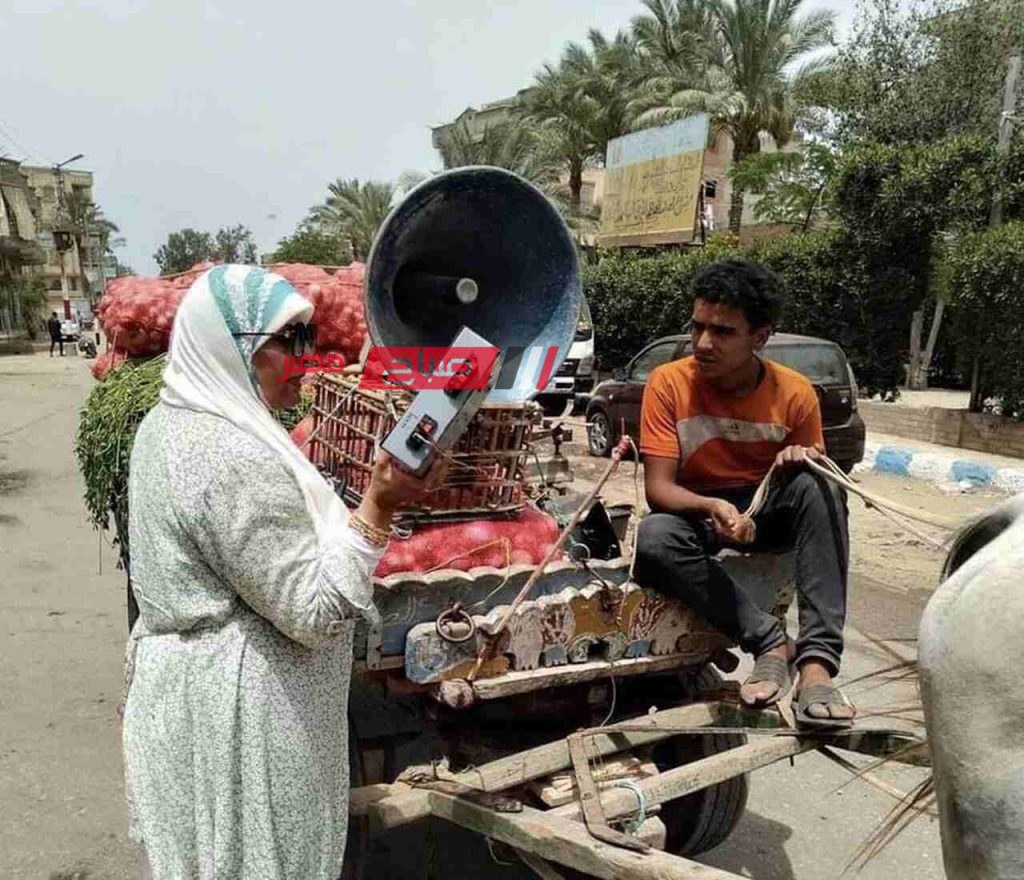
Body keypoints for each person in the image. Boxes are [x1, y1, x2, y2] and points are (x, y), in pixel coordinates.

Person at [122, 265, 445, 879]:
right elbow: (316, 613)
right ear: (233, 348)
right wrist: (378, 504)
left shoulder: (171, 422)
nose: (306, 358)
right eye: (287, 342)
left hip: (196, 703)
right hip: (241, 725)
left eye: (309, 339)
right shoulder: (227, 455)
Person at [634, 259, 854, 729]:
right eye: (697, 327)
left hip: (768, 509)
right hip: (702, 512)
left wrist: (798, 459)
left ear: (760, 337)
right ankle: (770, 642)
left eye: (722, 332)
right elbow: (659, 489)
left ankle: (816, 665)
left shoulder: (794, 393)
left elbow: (810, 476)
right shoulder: (668, 383)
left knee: (823, 486)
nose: (702, 343)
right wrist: (711, 506)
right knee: (654, 538)